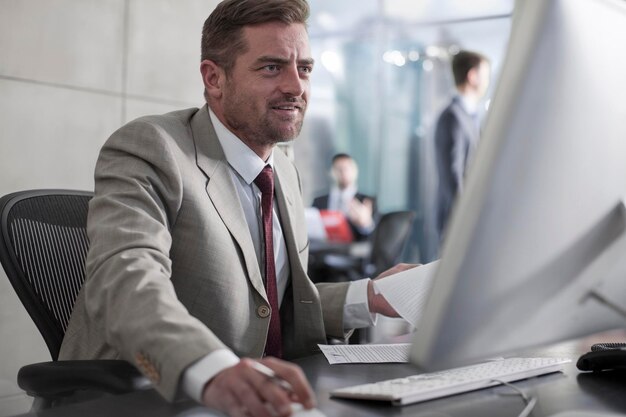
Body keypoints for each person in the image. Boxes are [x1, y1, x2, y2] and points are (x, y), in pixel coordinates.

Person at [58, 1, 414, 416]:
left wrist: (370, 296)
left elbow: (272, 307)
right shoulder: (153, 148)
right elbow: (126, 279)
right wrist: (211, 370)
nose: (296, 87)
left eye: (305, 69)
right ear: (214, 78)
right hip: (145, 398)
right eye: (271, 68)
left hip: (264, 400)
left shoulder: (284, 171)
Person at [434, 50, 491, 241]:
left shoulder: (470, 116)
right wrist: (467, 219)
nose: (487, 82)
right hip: (458, 223)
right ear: (472, 76)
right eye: (485, 75)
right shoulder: (453, 117)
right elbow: (453, 175)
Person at [312, 153, 377, 241]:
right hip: (323, 252)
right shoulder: (318, 201)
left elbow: (376, 239)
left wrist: (366, 225)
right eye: (338, 168)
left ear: (355, 171)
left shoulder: (367, 201)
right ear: (330, 172)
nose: (343, 172)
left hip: (353, 252)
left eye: (347, 168)